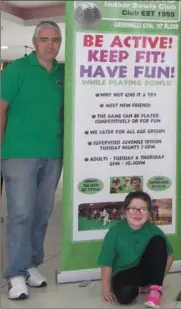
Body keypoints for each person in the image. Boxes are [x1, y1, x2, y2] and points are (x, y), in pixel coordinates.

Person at [1, 21, 64, 300]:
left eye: (55, 40)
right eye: (45, 39)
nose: (50, 44)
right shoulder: (16, 70)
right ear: (34, 41)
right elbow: (0, 109)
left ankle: (30, 264)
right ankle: (15, 273)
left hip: (52, 153)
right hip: (19, 153)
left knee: (41, 214)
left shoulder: (63, 74)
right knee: (20, 214)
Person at [98, 191, 174, 308]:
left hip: (144, 271)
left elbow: (170, 255)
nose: (138, 213)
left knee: (158, 241)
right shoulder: (114, 232)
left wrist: (158, 278)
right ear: (125, 211)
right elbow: (106, 264)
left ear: (149, 213)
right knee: (125, 296)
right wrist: (106, 291)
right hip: (123, 273)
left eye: (143, 209)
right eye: (133, 209)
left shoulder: (153, 230)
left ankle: (155, 290)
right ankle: (138, 288)